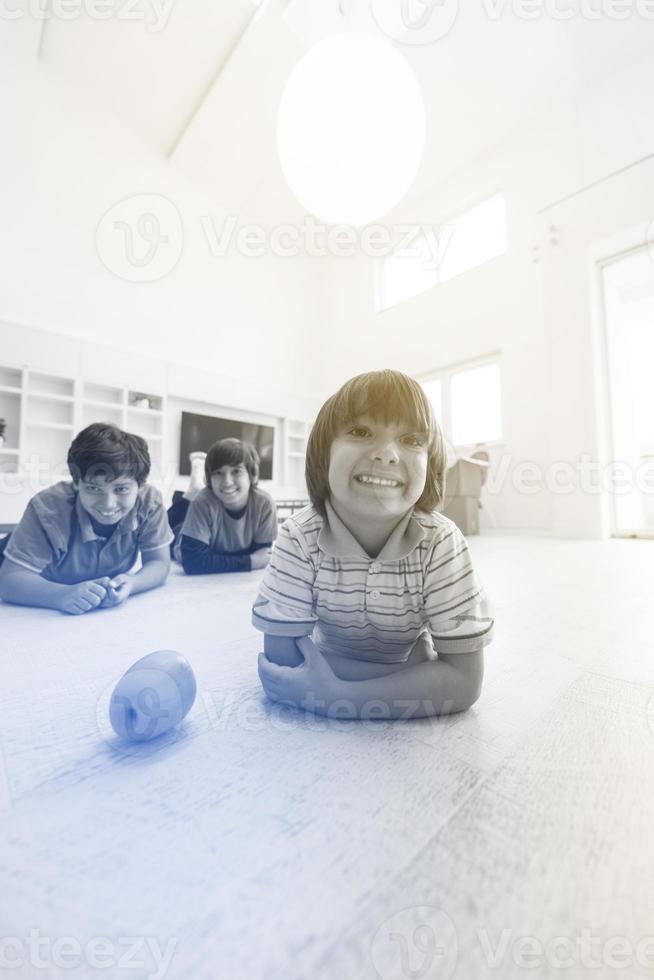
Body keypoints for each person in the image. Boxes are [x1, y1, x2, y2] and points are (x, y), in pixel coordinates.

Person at [253, 369, 494, 719]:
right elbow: (282, 663)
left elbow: (464, 681)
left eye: (412, 440)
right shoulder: (298, 537)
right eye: (360, 431)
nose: (386, 455)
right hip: (403, 663)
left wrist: (341, 696)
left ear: (431, 463)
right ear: (324, 453)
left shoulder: (441, 542)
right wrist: (420, 677)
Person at [0, 423, 171, 614]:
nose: (108, 504)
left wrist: (132, 583)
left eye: (121, 489)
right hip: (15, 556)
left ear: (139, 487)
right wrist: (60, 595)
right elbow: (9, 581)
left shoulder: (149, 502)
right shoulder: (47, 508)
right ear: (76, 483)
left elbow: (159, 563)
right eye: (93, 488)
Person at [178, 438, 277, 574]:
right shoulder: (202, 502)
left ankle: (195, 487)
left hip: (210, 538)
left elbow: (263, 555)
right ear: (210, 479)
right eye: (218, 473)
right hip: (178, 534)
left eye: (236, 471)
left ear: (252, 475)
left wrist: (213, 560)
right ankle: (194, 487)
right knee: (174, 522)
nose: (227, 482)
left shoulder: (264, 504)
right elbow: (192, 562)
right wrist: (249, 561)